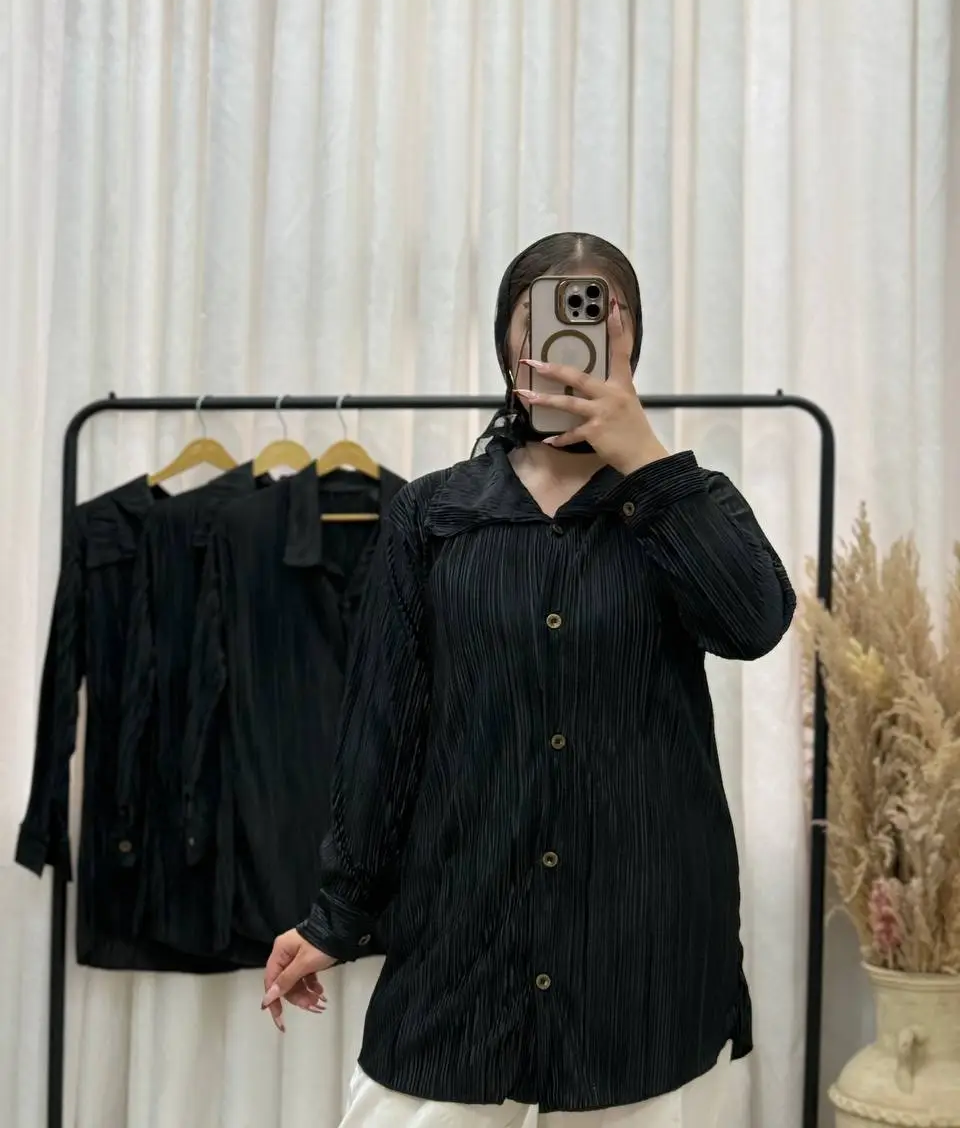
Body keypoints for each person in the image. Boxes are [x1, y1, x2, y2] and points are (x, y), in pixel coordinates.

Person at [261, 233, 796, 1126]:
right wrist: (336, 915)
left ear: (632, 337)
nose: (567, 336)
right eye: (540, 312)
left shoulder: (687, 503)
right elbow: (384, 729)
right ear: (507, 341)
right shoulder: (432, 515)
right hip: (460, 958)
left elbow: (754, 626)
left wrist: (647, 461)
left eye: (599, 311)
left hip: (643, 967)